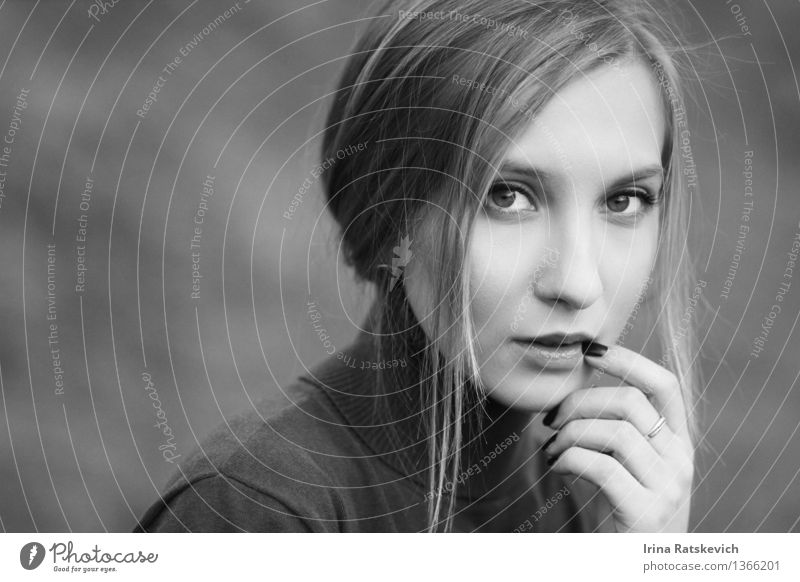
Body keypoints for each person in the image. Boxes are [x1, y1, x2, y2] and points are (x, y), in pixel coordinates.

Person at [135, 0, 699, 533]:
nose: (578, 283)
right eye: (505, 196)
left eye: (624, 200)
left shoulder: (598, 489)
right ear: (391, 212)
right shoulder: (255, 512)